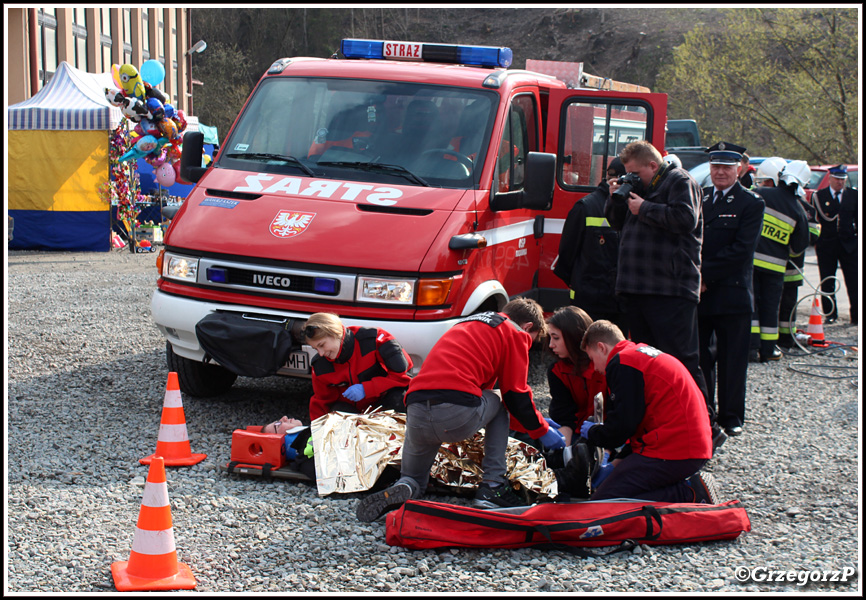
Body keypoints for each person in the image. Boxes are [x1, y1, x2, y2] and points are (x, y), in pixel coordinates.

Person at [355, 298, 565, 522]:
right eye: (531, 341)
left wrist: (534, 421)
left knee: (414, 479)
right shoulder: (513, 332)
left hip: (416, 407)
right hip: (454, 411)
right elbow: (515, 395)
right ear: (528, 328)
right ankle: (493, 486)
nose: (528, 345)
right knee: (501, 399)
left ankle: (406, 486)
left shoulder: (465, 325)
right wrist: (541, 430)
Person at [604, 140, 711, 422]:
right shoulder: (640, 187)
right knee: (646, 361)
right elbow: (617, 223)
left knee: (681, 360)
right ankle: (660, 418)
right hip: (637, 288)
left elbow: (686, 218)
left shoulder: (680, 180)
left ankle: (703, 423)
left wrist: (646, 208)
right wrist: (616, 196)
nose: (633, 179)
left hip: (670, 290)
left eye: (636, 174)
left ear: (653, 165)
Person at [577, 320, 720, 504]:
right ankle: (686, 491)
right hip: (687, 446)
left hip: (673, 450)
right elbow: (637, 424)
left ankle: (690, 494)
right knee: (616, 489)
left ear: (601, 347)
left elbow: (622, 427)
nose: (595, 368)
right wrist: (615, 465)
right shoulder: (639, 355)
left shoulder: (622, 363)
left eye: (592, 359)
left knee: (606, 503)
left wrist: (593, 432)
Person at [697, 142, 765, 438]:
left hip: (731, 294)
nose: (720, 172)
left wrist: (703, 276)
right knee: (700, 358)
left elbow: (740, 251)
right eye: (715, 167)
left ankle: (731, 415)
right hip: (700, 294)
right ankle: (705, 412)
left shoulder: (751, 203)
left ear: (739, 169)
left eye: (726, 167)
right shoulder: (702, 198)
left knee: (732, 360)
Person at [554, 157, 627, 332]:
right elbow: (566, 256)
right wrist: (583, 285)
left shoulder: (633, 204)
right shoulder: (586, 207)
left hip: (621, 303)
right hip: (590, 302)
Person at [750, 161, 811, 361]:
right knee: (769, 309)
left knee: (751, 307)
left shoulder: (761, 194)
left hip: (750, 264)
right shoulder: (798, 210)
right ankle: (768, 351)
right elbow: (798, 248)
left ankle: (750, 348)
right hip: (775, 270)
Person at [305, 312, 412, 422]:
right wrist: (315, 432)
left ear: (334, 333)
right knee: (336, 412)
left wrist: (367, 389)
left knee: (400, 397)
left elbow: (403, 377)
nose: (321, 353)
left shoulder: (374, 340)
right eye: (316, 349)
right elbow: (321, 402)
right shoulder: (321, 366)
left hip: (383, 407)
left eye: (322, 345)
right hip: (352, 417)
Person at [545, 306, 608, 446]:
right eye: (549, 338)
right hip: (577, 432)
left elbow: (620, 413)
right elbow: (563, 415)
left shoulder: (605, 366)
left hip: (610, 432)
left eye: (555, 338)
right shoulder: (557, 371)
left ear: (574, 337)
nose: (550, 345)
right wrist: (564, 448)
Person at [813, 164, 858, 325]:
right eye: (837, 179)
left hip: (849, 245)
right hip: (827, 245)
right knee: (827, 281)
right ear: (830, 178)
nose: (840, 183)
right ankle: (830, 314)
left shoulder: (853, 195)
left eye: (843, 180)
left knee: (854, 280)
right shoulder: (820, 196)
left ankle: (856, 314)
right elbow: (815, 219)